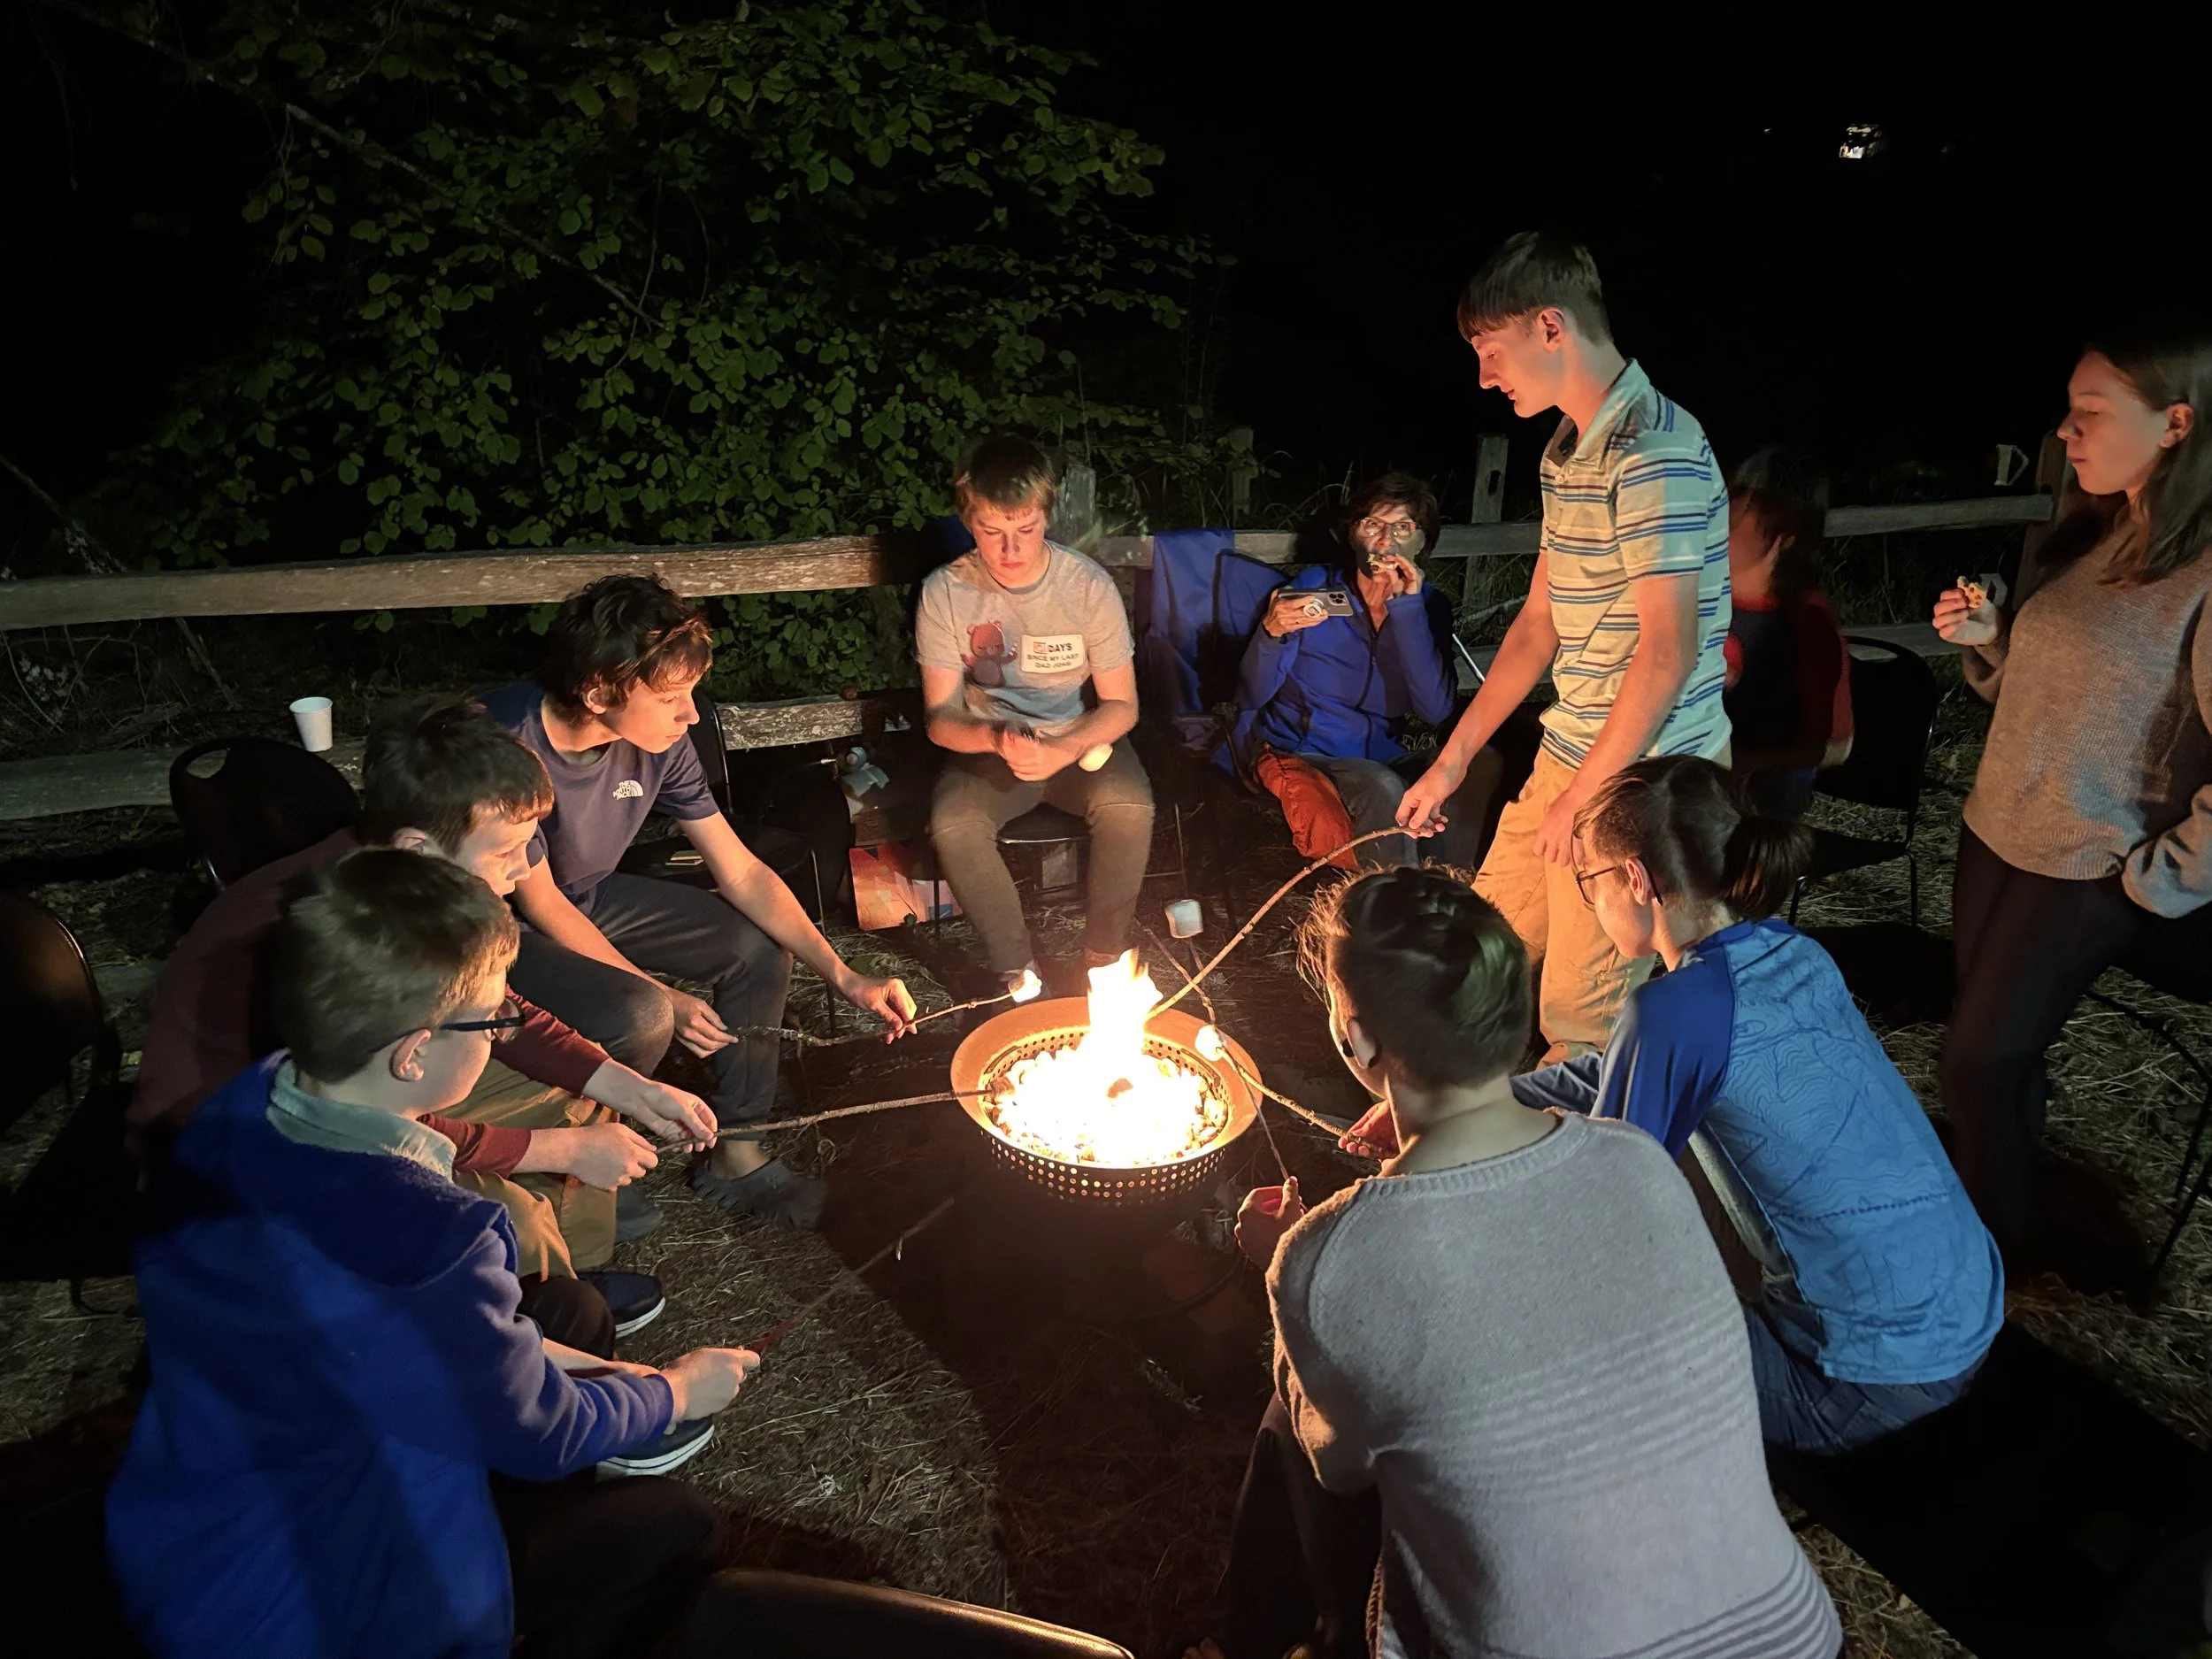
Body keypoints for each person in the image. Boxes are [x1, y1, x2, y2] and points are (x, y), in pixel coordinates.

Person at [109, 850, 761, 1658]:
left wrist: (590, 1369)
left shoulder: (237, 1113)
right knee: (678, 1524)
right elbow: (542, 1429)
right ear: (413, 1054)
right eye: (491, 1020)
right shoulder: (425, 1236)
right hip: (338, 1599)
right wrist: (673, 1391)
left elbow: (423, 1338)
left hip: (197, 1515)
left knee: (566, 1311)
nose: (503, 1030)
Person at [1203, 866, 1838, 1659]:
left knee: (1308, 1422)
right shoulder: (1636, 1157)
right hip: (1789, 1635)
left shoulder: (1327, 1254)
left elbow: (1339, 1466)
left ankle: (1291, 1639)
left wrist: (1283, 1265)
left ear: (1357, 1038)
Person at [134, 697, 718, 1336]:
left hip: (351, 1082)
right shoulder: (345, 928)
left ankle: (554, 1284)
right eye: (507, 850)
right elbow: (362, 1114)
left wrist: (629, 1086)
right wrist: (558, 1150)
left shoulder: (411, 887)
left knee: (578, 1099)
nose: (525, 869)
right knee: (508, 1200)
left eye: (530, 844)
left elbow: (498, 1012)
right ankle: (510, 1314)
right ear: (419, 843)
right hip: (238, 1144)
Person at [1505, 756, 2001, 1451]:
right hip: (1971, 1309)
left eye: (1590, 881)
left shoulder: (1673, 1008)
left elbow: (1603, 1206)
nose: (1592, 901)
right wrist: (1489, 1101)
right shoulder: (1794, 951)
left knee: (1568, 1304)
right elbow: (1623, 1072)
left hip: (1862, 1383)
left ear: (1636, 881)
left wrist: (1467, 1158)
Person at [484, 576, 916, 1230]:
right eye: (670, 698)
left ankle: (738, 1150)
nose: (691, 715)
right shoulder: (511, 745)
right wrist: (663, 995)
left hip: (589, 896)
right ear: (598, 693)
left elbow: (740, 870)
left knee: (755, 949)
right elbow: (542, 906)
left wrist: (843, 973)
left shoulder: (660, 742)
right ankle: (583, 1165)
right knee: (641, 1012)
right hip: (497, 924)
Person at [1396, 233, 1732, 1062]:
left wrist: (1583, 801)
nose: (1485, 376)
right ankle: (1445, 1119)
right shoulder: (1567, 450)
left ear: (1550, 326)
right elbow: (1537, 625)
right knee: (1480, 953)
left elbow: (1668, 653)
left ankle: (1579, 1137)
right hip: (1574, 750)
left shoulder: (1652, 451)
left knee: (1581, 1022)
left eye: (1491, 350)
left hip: (1644, 778)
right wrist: (1452, 761)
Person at [1933, 321, 2212, 1269]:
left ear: (2176, 423)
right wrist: (1992, 639)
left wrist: (2168, 875)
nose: (2065, 430)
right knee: (2001, 1062)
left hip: (2086, 864)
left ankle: (1985, 1266)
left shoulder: (2204, 573)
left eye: (2090, 411)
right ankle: (2005, 1233)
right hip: (1996, 829)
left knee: (1974, 1064)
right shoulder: (2104, 533)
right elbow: (2065, 691)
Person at [918, 434, 1156, 990]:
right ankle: (1018, 973)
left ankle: (1104, 964)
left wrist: (1066, 747)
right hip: (990, 747)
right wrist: (997, 737)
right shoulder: (945, 592)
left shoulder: (1087, 586)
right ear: (968, 519)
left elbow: (1122, 705)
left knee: (1129, 805)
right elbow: (940, 717)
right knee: (954, 823)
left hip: (1078, 738)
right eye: (991, 532)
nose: (1011, 550)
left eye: (1025, 530)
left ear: (1046, 514)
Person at [1228, 472, 1502, 869]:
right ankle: (1398, 899)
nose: (1386, 541)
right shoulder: (1313, 590)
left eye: (1403, 527)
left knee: (1478, 761)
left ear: (1423, 541)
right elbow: (1250, 694)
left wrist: (1407, 611)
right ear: (1352, 535)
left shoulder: (1430, 608)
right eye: (1372, 525)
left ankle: (1450, 885)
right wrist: (1271, 633)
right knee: (1381, 785)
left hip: (1384, 754)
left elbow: (1435, 711)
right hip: (1305, 751)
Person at [1722, 448, 1853, 819]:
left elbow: (1831, 745)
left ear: (1786, 532)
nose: (1717, 525)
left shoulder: (1805, 620)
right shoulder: (1703, 601)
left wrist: (1729, 762)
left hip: (1760, 806)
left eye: (1736, 517)